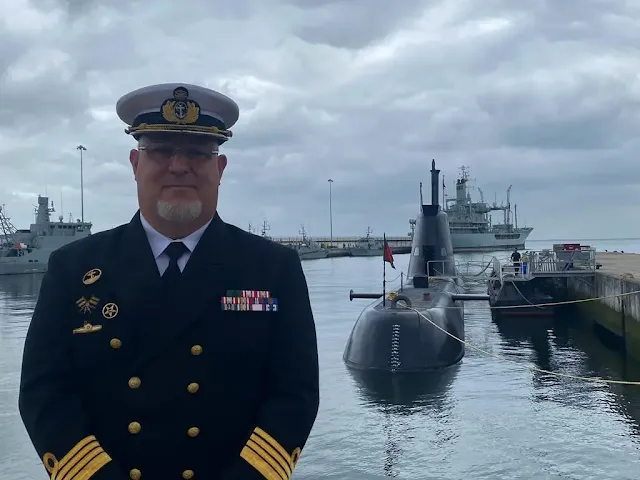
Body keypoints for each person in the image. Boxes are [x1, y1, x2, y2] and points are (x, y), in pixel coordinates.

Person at [18, 83, 320, 480]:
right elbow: (44, 393)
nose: (179, 165)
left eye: (198, 152)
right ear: (134, 163)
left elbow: (295, 394)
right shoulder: (73, 269)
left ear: (220, 168)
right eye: (160, 150)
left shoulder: (272, 269)